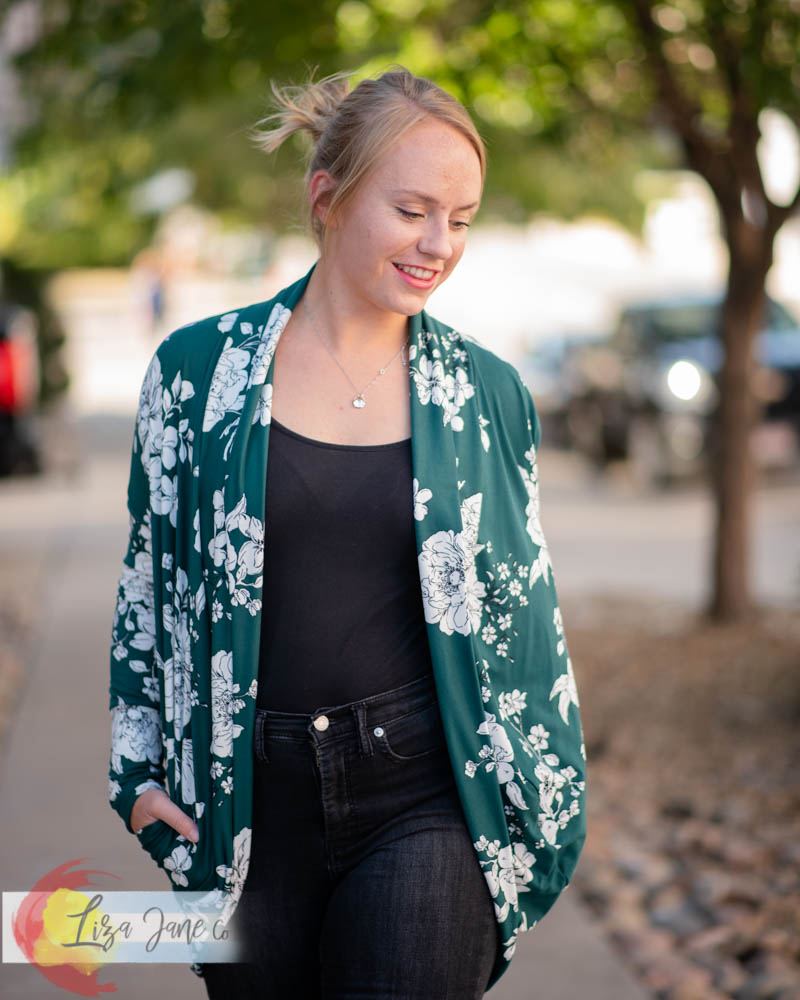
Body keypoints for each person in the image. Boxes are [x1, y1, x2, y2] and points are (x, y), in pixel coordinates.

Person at [108, 66, 587, 999]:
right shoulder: (196, 375)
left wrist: (547, 795)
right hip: (244, 794)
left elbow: (527, 624)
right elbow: (149, 589)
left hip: (427, 791)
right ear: (326, 197)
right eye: (412, 210)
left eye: (462, 217)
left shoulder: (488, 396)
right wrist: (136, 774)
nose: (440, 244)